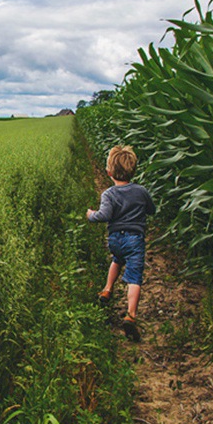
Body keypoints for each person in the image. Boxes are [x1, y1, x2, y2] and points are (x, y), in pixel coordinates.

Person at [86, 145, 155, 342]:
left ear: (109, 172)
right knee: (134, 277)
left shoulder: (108, 194)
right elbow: (152, 210)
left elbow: (104, 215)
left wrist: (91, 215)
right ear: (133, 170)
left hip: (115, 239)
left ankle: (107, 289)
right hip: (135, 240)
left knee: (116, 260)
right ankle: (131, 315)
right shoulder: (141, 191)